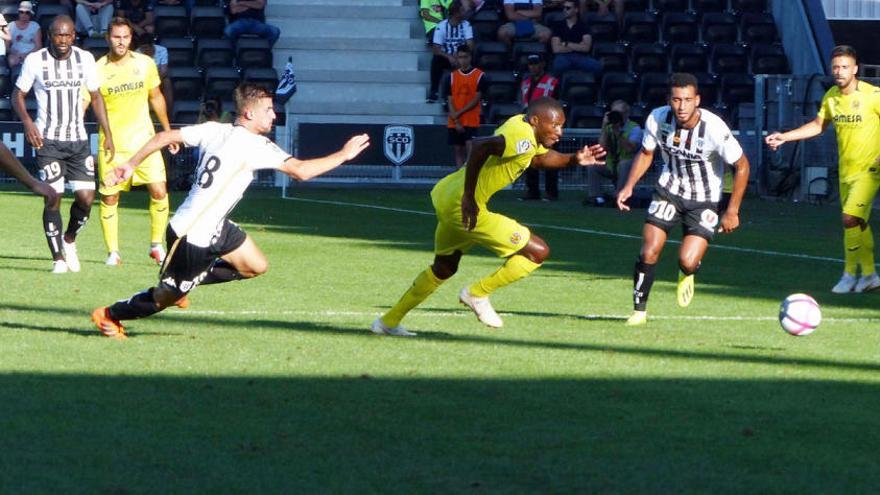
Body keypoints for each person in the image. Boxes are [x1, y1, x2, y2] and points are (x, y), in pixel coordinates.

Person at [91, 83, 370, 339]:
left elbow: (164, 137)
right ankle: (110, 314)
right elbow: (301, 171)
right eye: (268, 110)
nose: (274, 116)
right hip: (191, 235)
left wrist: (130, 164)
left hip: (215, 226)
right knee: (162, 297)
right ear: (248, 112)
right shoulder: (253, 145)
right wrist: (344, 155)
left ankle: (187, 285)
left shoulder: (216, 129)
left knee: (255, 266)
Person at [371, 97, 605, 337]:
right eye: (555, 125)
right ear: (536, 120)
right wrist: (469, 198)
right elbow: (480, 146)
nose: (559, 132)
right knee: (537, 252)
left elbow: (538, 158)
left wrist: (573, 159)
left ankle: (388, 322)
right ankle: (478, 293)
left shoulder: (525, 130)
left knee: (444, 267)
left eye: (562, 126)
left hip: (446, 195)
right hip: (462, 206)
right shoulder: (521, 136)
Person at [616, 73, 750, 326]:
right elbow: (646, 153)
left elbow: (742, 166)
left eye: (687, 100)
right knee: (649, 250)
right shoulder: (657, 117)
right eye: (676, 100)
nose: (681, 106)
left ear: (697, 100)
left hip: (704, 200)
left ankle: (688, 272)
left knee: (687, 261)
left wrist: (732, 211)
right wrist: (629, 186)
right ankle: (639, 311)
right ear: (670, 100)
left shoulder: (714, 128)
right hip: (669, 191)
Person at [766, 45, 880, 293]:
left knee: (849, 218)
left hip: (870, 171)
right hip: (846, 171)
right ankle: (870, 275)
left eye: (845, 67)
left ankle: (849, 275)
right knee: (857, 223)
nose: (839, 72)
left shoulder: (873, 96)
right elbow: (818, 126)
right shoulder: (831, 96)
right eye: (836, 67)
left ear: (856, 69)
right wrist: (785, 137)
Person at [13, 15, 115, 274]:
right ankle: (57, 258)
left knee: (86, 198)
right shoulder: (36, 60)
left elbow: (96, 96)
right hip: (48, 141)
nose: (63, 40)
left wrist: (108, 132)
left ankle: (69, 240)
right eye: (59, 35)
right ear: (50, 35)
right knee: (53, 196)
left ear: (74, 36)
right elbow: (18, 95)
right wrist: (27, 122)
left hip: (78, 141)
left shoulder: (85, 59)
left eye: (68, 35)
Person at [96, 17, 175, 267]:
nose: (121, 42)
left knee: (159, 190)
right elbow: (85, 103)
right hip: (112, 145)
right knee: (110, 198)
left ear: (131, 39)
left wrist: (167, 132)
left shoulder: (145, 63)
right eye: (116, 37)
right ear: (108, 38)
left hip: (145, 142)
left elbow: (156, 97)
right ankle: (113, 253)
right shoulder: (97, 69)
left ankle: (156, 246)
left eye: (125, 37)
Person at [519, 53, 559, 201]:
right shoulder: (525, 82)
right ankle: (533, 191)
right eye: (531, 64)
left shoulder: (553, 82)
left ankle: (551, 192)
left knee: (549, 158)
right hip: (531, 124)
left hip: (548, 124)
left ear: (542, 65)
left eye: (536, 64)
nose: (533, 67)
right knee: (530, 158)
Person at [585, 99, 641, 205]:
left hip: (629, 166)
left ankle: (618, 196)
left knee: (624, 164)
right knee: (592, 165)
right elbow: (601, 148)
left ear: (626, 114)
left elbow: (630, 149)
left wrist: (618, 133)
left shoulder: (634, 128)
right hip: (612, 164)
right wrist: (604, 126)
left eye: (619, 113)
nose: (617, 116)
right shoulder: (609, 127)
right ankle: (596, 196)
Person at [445, 45, 485, 168]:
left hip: (471, 120)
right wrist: (456, 120)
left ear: (470, 57)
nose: (463, 60)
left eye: (465, 57)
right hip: (455, 121)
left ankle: (468, 177)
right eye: (460, 57)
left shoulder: (479, 75)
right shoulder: (451, 77)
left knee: (470, 150)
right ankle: (459, 179)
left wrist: (458, 113)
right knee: (458, 151)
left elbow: (476, 99)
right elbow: (450, 100)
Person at [427, 1, 474, 103]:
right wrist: (449, 56)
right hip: (447, 57)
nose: (465, 12)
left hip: (462, 55)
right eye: (462, 10)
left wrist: (459, 56)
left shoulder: (466, 25)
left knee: (470, 60)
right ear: (456, 13)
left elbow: (470, 45)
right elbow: (436, 49)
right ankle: (434, 91)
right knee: (436, 60)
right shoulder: (442, 26)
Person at [549, 0, 601, 77]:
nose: (564, 10)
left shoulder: (584, 26)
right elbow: (556, 49)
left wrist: (566, 44)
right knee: (557, 66)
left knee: (597, 66)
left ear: (576, 10)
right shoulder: (558, 25)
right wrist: (578, 46)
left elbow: (586, 48)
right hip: (563, 57)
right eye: (563, 8)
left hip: (581, 57)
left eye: (568, 8)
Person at [7, 1, 41, 68]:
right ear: (18, 13)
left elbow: (38, 46)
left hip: (31, 54)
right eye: (21, 12)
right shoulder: (10, 26)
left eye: (27, 13)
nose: (24, 15)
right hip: (15, 54)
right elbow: (7, 47)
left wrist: (26, 55)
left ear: (30, 14)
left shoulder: (35, 26)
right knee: (11, 61)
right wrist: (15, 54)